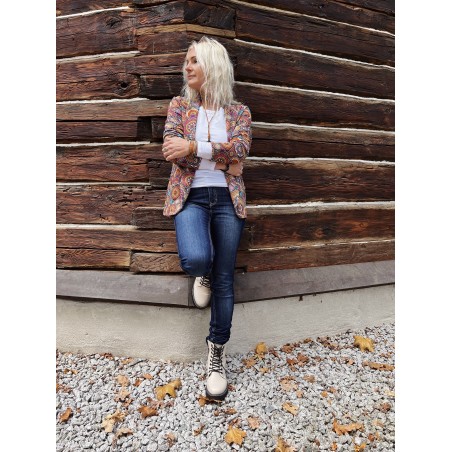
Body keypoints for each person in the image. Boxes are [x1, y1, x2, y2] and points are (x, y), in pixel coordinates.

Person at [161, 36, 252, 400]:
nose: (188, 66)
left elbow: (241, 148)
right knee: (198, 257)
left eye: (195, 60)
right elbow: (172, 151)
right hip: (192, 197)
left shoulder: (239, 112)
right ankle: (203, 272)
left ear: (213, 65)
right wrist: (225, 161)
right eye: (187, 60)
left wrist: (194, 147)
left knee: (225, 280)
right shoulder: (180, 106)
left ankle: (216, 355)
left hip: (228, 201)